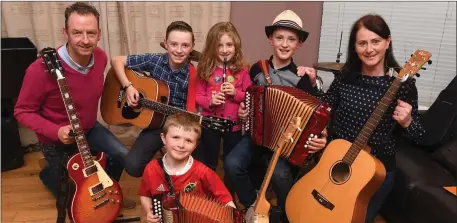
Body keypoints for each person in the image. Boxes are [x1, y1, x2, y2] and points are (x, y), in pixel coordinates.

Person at [13, 1, 134, 220]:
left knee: (123, 156)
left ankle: (106, 191)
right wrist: (55, 131)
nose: (85, 40)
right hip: (57, 138)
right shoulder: (40, 70)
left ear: (99, 34)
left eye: (91, 33)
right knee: (73, 198)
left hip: (88, 128)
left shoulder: (101, 57)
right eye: (77, 32)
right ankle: (48, 174)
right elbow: (22, 111)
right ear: (65, 33)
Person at [319, 14, 425, 223]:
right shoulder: (346, 76)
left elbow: (420, 136)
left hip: (373, 172)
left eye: (376, 41)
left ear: (388, 41)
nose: (369, 49)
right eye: (362, 43)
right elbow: (325, 106)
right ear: (355, 47)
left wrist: (408, 122)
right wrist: (309, 83)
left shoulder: (402, 84)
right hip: (337, 161)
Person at [224, 10, 327, 222]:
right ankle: (254, 203)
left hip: (285, 142)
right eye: (279, 38)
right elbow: (248, 100)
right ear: (270, 40)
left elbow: (314, 115)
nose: (284, 44)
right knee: (232, 163)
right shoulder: (256, 70)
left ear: (299, 44)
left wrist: (319, 134)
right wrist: (245, 112)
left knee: (281, 174)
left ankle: (286, 211)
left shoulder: (302, 79)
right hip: (256, 135)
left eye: (291, 39)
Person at [111, 21, 197, 178]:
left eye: (185, 45)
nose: (178, 50)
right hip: (156, 124)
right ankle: (159, 174)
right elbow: (116, 60)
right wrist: (128, 87)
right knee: (133, 167)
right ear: (165, 44)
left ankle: (168, 178)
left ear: (192, 47)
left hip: (180, 126)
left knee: (191, 168)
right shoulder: (155, 61)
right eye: (173, 44)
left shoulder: (194, 74)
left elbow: (196, 107)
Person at [139, 112, 236, 223]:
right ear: (164, 138)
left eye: (188, 141)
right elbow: (145, 195)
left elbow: (226, 201)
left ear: (196, 145)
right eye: (175, 137)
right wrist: (149, 212)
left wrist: (234, 218)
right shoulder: (152, 169)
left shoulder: (203, 173)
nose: (181, 145)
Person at [194, 21, 252, 171]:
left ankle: (228, 191)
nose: (225, 50)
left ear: (236, 46)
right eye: (219, 45)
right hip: (209, 124)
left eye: (229, 45)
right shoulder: (205, 68)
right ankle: (209, 191)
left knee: (230, 163)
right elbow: (198, 96)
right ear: (212, 46)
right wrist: (210, 101)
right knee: (209, 162)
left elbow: (250, 96)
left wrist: (235, 93)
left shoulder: (243, 70)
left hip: (234, 126)